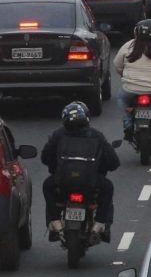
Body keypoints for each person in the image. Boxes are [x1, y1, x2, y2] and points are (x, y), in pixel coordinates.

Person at [41, 101, 120, 241]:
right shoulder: (96, 135)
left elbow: (46, 157)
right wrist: (101, 169)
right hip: (91, 183)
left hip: (63, 182)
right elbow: (113, 162)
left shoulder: (58, 134)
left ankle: (55, 222)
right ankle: (101, 224)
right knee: (108, 188)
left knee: (47, 186)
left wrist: (56, 170)